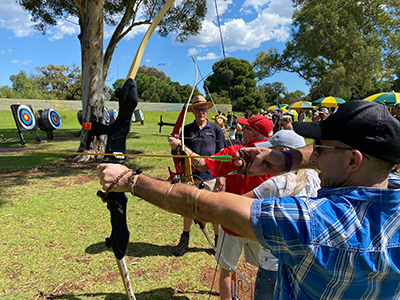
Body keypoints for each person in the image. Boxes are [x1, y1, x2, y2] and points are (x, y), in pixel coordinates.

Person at [98, 100, 400, 299]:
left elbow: (201, 204)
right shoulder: (392, 186)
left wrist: (131, 181)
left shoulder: (315, 222)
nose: (315, 153)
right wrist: (287, 159)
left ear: (353, 161)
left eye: (320, 147)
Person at [176, 115, 274, 300]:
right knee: (265, 267)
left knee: (226, 269)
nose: (241, 130)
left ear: (254, 134)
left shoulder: (236, 151)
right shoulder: (278, 156)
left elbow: (202, 163)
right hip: (260, 224)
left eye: (245, 128)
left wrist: (183, 148)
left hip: (234, 222)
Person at [250, 130, 321, 300]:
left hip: (272, 267)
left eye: (271, 152)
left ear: (282, 154)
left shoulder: (275, 184)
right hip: (306, 267)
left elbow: (238, 207)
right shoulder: (315, 177)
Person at [168, 95, 225, 256]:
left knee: (214, 210)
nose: (202, 112)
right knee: (188, 209)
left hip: (211, 176)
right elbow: (180, 155)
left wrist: (221, 176)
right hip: (190, 176)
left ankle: (218, 241)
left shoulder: (216, 129)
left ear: (207, 111)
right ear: (192, 111)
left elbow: (222, 154)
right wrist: (174, 146)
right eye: (198, 109)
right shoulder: (186, 130)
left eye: (204, 109)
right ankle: (184, 239)